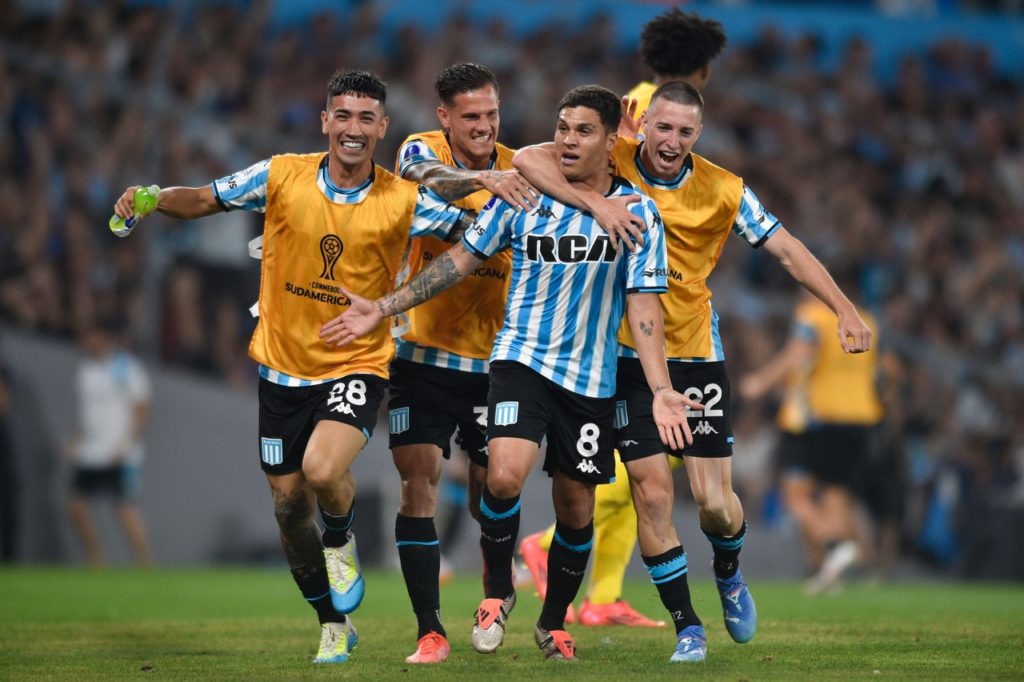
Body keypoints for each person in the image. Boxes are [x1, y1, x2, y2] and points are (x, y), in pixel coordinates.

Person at [322, 85, 698, 662]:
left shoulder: (639, 214)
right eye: (562, 128)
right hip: (520, 360)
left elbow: (643, 306)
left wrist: (663, 390)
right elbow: (459, 259)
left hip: (590, 379)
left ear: (610, 140)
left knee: (576, 508)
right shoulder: (523, 195)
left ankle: (552, 622)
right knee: (501, 477)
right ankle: (497, 594)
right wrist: (386, 306)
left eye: (583, 131)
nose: (568, 140)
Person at [111, 70, 471, 665]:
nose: (353, 129)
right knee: (285, 505)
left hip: (358, 363)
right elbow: (203, 198)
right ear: (325, 120)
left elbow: (475, 243)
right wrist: (151, 196)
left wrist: (399, 304)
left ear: (382, 128)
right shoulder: (280, 174)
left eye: (365, 119)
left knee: (323, 471)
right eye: (343, 116)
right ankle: (333, 621)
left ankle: (341, 539)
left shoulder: (405, 200)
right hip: (281, 371)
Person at [513, 81, 871, 661]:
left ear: (697, 136)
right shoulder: (614, 158)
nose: (671, 140)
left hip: (695, 356)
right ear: (643, 124)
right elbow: (527, 159)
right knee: (651, 492)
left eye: (684, 131)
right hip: (627, 357)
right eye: (662, 127)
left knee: (714, 504)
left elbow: (787, 249)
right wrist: (597, 202)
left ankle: (728, 570)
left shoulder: (724, 190)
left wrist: (844, 308)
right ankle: (689, 627)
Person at [518, 7, 728, 629]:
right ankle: (552, 545)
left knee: (644, 468)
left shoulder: (632, 103)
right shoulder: (657, 116)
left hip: (615, 305)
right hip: (626, 312)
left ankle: (604, 593)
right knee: (635, 468)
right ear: (704, 70)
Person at [387, 62, 535, 664]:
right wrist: (488, 185)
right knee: (416, 484)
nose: (483, 125)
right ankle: (430, 630)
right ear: (445, 117)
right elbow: (423, 178)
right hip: (420, 355)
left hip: (493, 361)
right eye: (470, 116)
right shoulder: (420, 150)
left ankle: (497, 597)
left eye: (491, 114)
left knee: (488, 496)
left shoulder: (525, 165)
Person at [739, 291, 883, 593]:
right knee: (835, 493)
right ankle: (833, 569)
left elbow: (798, 353)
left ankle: (834, 545)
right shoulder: (866, 321)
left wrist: (761, 382)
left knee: (794, 494)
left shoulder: (812, 316)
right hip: (860, 419)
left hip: (818, 419)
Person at [66, 318, 153, 568]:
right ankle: (97, 563)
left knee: (125, 510)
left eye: (90, 335)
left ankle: (145, 566)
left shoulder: (125, 367)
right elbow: (87, 414)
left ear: (104, 337)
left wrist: (127, 443)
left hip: (119, 452)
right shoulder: (85, 371)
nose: (85, 342)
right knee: (77, 508)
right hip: (90, 452)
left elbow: (142, 407)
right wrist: (76, 439)